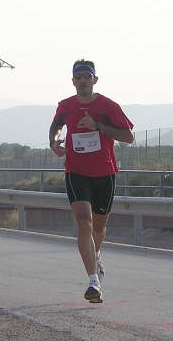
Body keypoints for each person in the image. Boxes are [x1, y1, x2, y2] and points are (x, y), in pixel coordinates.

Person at [49, 59, 134, 304]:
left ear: (95, 80)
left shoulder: (109, 106)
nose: (83, 81)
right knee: (84, 223)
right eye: (78, 77)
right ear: (73, 81)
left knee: (98, 227)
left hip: (105, 172)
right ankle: (93, 281)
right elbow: (55, 126)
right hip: (76, 171)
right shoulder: (66, 105)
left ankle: (95, 255)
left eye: (87, 76)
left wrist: (98, 125)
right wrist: (54, 143)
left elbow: (128, 137)